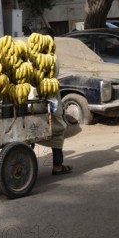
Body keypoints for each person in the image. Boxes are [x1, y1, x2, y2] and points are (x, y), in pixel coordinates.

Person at [36, 26, 73, 176]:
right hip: (48, 99)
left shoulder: (31, 56)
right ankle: (58, 166)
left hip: (31, 99)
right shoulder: (52, 58)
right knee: (58, 130)